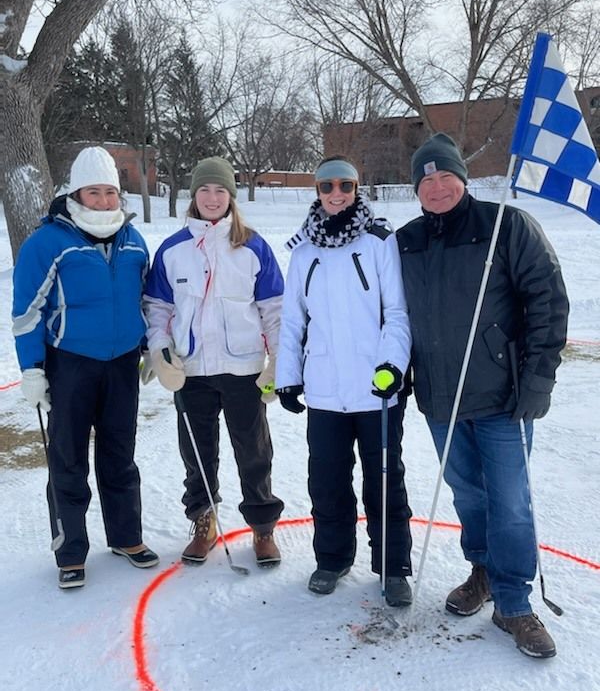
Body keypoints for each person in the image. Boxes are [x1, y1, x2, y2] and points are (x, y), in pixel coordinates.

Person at [395, 133, 569, 658]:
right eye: (426, 179)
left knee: (511, 503)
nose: (437, 186)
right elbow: (393, 316)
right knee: (468, 494)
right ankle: (483, 571)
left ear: (462, 180)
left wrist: (537, 381)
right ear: (416, 189)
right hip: (441, 399)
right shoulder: (406, 241)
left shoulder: (505, 226)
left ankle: (515, 603)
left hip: (503, 398)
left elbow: (548, 301)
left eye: (446, 176)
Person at [12, 146, 159, 590]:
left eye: (109, 191)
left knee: (120, 452)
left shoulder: (133, 241)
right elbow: (27, 311)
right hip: (70, 363)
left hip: (121, 364)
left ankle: (126, 538)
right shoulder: (48, 242)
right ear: (76, 193)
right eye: (93, 192)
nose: (102, 200)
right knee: (68, 459)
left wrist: (151, 347)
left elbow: (148, 300)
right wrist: (33, 369)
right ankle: (71, 550)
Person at [275, 157, 413, 604]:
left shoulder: (379, 241)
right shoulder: (303, 252)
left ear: (358, 188)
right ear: (316, 190)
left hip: (377, 390)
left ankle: (393, 568)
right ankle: (332, 558)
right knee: (327, 480)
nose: (337, 194)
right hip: (326, 391)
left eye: (346, 186)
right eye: (327, 186)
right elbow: (293, 321)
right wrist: (289, 377)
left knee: (384, 479)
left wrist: (392, 365)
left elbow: (396, 313)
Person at [143, 156, 284, 567]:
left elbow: (274, 309)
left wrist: (278, 360)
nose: (212, 197)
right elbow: (157, 307)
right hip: (192, 372)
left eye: (220, 190)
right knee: (197, 453)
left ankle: (262, 527)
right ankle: (202, 520)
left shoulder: (253, 246)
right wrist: (161, 350)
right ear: (193, 194)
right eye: (204, 189)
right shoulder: (172, 250)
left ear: (231, 196)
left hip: (244, 371)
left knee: (254, 451)